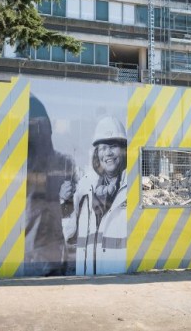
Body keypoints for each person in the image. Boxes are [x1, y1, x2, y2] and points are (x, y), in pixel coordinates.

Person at [24, 95, 77, 276]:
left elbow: (76, 212)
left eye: (41, 126)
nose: (38, 133)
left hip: (55, 254)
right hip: (30, 255)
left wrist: (65, 199)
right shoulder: (21, 167)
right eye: (33, 127)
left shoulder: (65, 163)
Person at [74, 116, 127, 275]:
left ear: (124, 150)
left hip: (120, 281)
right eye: (103, 148)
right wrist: (64, 204)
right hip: (87, 281)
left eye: (113, 146)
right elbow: (69, 234)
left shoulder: (131, 188)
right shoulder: (85, 188)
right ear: (97, 153)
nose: (108, 153)